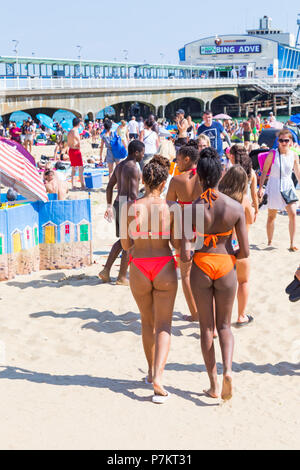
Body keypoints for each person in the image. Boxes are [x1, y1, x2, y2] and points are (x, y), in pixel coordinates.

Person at [181, 147, 249, 400]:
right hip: (225, 266)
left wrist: (196, 249)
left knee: (206, 328)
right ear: (220, 174)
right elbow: (245, 251)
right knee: (225, 327)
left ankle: (213, 385)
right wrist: (230, 255)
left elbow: (186, 253)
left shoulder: (191, 209)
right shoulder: (234, 207)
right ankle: (228, 370)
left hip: (202, 266)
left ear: (198, 176)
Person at [121, 156, 180, 403]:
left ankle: (149, 371)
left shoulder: (129, 208)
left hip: (139, 266)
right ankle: (158, 375)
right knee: (164, 325)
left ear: (143, 180)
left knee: (147, 322)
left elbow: (126, 244)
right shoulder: (172, 209)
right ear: (164, 182)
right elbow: (177, 244)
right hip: (165, 265)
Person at [98, 140, 145, 285]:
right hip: (128, 205)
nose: (143, 156)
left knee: (122, 240)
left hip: (118, 203)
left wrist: (108, 205)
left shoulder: (119, 166)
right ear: (136, 152)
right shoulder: (133, 168)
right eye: (142, 153)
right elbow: (132, 193)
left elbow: (109, 187)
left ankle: (106, 270)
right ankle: (122, 277)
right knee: (129, 242)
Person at [166, 145, 201, 322]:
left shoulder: (177, 180)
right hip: (205, 226)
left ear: (187, 159)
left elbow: (170, 207)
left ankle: (195, 313)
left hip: (184, 227)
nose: (176, 162)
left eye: (178, 159)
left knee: (186, 275)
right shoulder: (206, 178)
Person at [219, 165, 255, 326]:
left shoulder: (219, 198)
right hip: (239, 244)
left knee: (219, 288)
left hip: (223, 246)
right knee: (243, 282)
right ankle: (241, 316)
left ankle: (217, 321)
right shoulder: (244, 200)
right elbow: (251, 220)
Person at [258, 129, 300, 251]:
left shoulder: (294, 155)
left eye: (286, 140)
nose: (283, 143)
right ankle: (270, 241)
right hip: (274, 185)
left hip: (288, 186)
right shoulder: (272, 154)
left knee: (292, 214)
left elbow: (297, 173)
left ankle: (292, 243)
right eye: (281, 140)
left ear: (291, 142)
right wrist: (260, 188)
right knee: (272, 216)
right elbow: (264, 172)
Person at [228, 144, 259, 220]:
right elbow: (254, 194)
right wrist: (256, 210)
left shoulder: (230, 171)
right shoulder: (251, 172)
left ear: (232, 156)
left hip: (231, 205)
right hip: (245, 205)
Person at [67, 117, 86, 190]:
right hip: (76, 151)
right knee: (81, 168)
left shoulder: (70, 131)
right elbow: (78, 143)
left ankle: (73, 185)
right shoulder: (76, 131)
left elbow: (68, 143)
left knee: (73, 169)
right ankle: (82, 185)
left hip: (71, 150)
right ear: (78, 124)